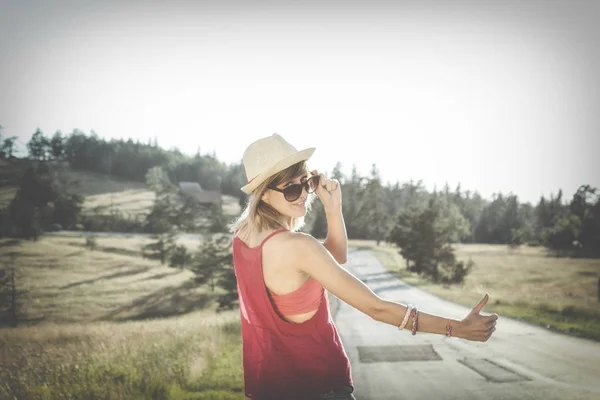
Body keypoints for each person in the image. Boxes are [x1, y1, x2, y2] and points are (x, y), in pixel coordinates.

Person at [229, 133, 499, 400]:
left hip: (271, 388)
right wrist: (457, 328)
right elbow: (376, 307)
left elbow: (333, 258)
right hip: (320, 386)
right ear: (263, 195)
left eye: (306, 182)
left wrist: (333, 209)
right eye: (291, 189)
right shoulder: (299, 246)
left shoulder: (242, 240)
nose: (303, 195)